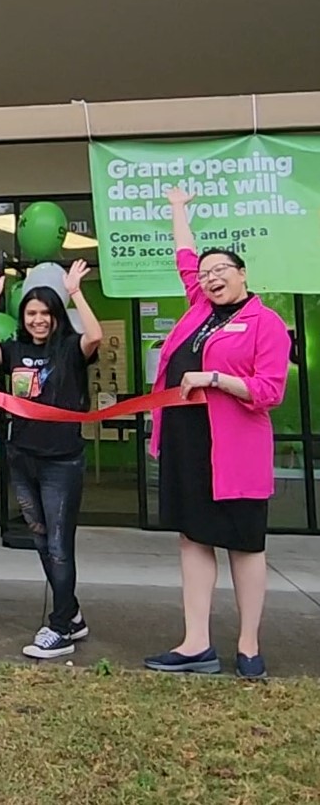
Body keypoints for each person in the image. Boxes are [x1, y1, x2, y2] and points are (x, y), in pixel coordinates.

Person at [143, 187, 291, 680]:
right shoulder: (198, 309)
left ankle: (248, 645)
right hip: (188, 445)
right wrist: (177, 209)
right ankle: (196, 644)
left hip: (236, 453)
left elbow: (269, 391)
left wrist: (215, 379)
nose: (210, 278)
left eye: (221, 270)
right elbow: (185, 256)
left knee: (244, 544)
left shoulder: (265, 323)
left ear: (243, 274)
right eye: (205, 274)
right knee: (193, 539)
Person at [0, 259, 102, 659]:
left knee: (60, 545)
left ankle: (60, 629)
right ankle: (72, 613)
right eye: (31, 313)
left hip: (61, 462)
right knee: (41, 540)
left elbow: (95, 336)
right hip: (22, 458)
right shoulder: (15, 349)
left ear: (56, 315)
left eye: (45, 313)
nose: (38, 320)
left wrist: (76, 292)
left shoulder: (70, 348)